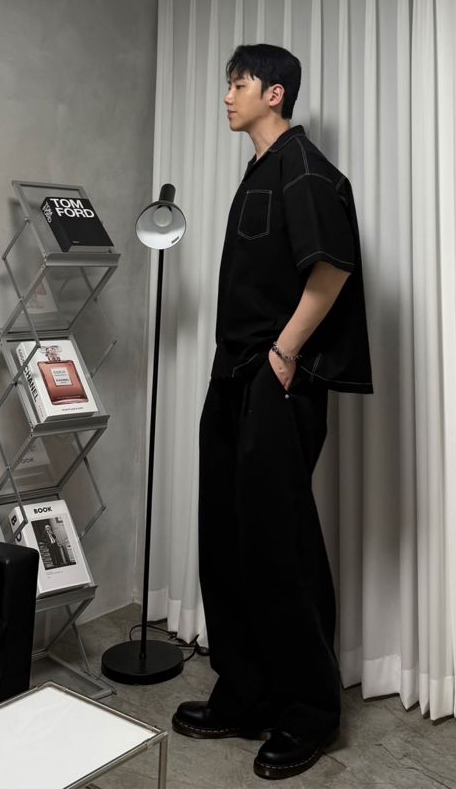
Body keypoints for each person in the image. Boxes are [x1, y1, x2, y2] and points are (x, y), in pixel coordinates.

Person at [172, 43, 373, 781]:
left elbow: (333, 267)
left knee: (277, 544)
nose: (227, 96)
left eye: (239, 84)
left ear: (275, 93)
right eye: (227, 83)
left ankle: (308, 712)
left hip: (275, 378)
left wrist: (284, 354)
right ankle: (247, 692)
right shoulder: (259, 168)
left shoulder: (306, 168)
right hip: (233, 374)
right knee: (226, 537)